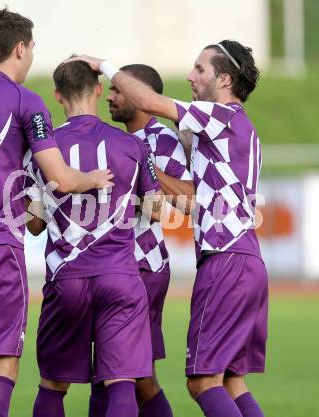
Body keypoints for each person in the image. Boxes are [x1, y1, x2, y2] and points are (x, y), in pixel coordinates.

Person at [70, 39, 268, 417]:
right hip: (247, 257)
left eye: (200, 70)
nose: (191, 77)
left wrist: (104, 64)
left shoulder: (220, 115)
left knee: (201, 382)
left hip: (225, 258)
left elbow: (150, 104)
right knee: (232, 381)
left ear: (224, 79)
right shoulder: (240, 127)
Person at [0, 9, 112, 417]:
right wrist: (93, 178)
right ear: (20, 48)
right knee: (4, 364)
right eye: (32, 48)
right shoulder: (25, 100)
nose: (32, 55)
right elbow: (61, 180)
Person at [24, 59, 163, 417]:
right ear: (99, 90)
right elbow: (156, 210)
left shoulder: (42, 149)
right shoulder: (133, 145)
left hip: (66, 279)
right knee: (121, 382)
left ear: (57, 96)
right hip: (119, 276)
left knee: (53, 385)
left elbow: (34, 225)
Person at [90, 63, 193, 417]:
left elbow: (188, 201)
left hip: (143, 265)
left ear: (141, 96)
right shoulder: (109, 138)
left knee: (126, 376)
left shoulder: (161, 139)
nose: (111, 97)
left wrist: (146, 167)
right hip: (110, 266)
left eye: (119, 91)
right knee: (122, 376)